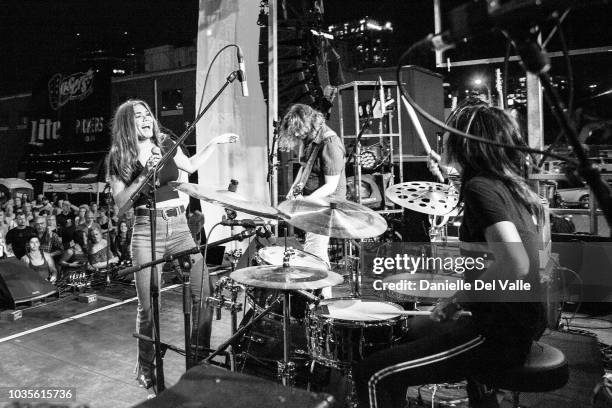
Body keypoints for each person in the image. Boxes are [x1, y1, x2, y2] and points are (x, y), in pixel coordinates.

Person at [351, 99, 547, 408]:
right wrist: (448, 170)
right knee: (408, 335)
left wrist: (456, 302)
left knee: (372, 373)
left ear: (465, 142)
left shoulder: (480, 188)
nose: (442, 137)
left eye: (448, 132)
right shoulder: (505, 185)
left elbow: (516, 263)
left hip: (498, 333)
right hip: (519, 321)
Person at [107, 99, 239, 389]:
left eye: (147, 114)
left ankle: (199, 360)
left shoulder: (166, 142)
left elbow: (189, 166)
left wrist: (214, 143)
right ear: (128, 124)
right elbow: (120, 206)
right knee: (148, 306)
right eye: (138, 116)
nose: (146, 119)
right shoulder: (120, 156)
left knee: (203, 290)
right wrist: (145, 173)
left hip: (179, 226)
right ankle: (146, 365)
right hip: (146, 229)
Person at [278, 103, 346, 297]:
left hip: (326, 203)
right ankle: (324, 297)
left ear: (309, 123)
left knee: (314, 251)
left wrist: (304, 201)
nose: (298, 137)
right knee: (314, 250)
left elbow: (331, 187)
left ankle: (323, 298)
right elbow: (304, 166)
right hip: (311, 201)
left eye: (300, 132)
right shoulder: (309, 138)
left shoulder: (330, 143)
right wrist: (295, 188)